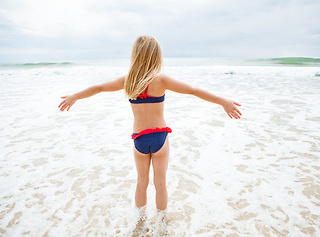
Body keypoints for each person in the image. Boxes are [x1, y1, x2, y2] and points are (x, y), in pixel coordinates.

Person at [58, 35, 241, 219]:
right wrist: (223, 101)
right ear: (156, 56)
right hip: (159, 137)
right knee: (160, 182)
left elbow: (99, 88)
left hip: (139, 139)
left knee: (141, 181)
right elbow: (193, 90)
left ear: (136, 55)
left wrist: (74, 96)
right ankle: (161, 224)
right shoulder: (161, 80)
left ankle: (140, 221)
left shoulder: (127, 80)